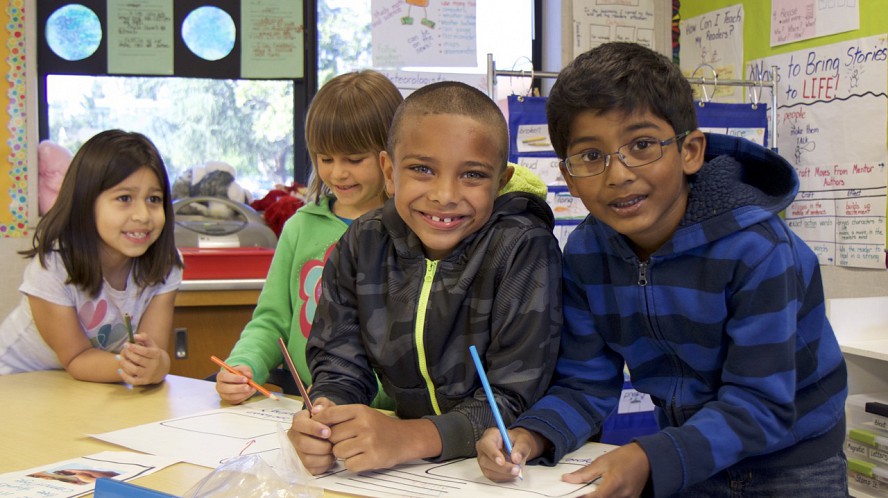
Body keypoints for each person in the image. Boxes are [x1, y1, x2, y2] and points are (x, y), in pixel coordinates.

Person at [476, 42, 848, 498]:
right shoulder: (588, 252)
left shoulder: (760, 250)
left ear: (690, 151)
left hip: (792, 464)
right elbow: (585, 382)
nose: (619, 174)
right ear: (568, 176)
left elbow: (762, 405)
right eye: (591, 156)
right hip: (689, 455)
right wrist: (533, 435)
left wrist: (650, 456)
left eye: (643, 145)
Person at [288, 81, 563, 475]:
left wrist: (409, 438)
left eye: (472, 175)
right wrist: (326, 415)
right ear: (389, 171)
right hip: (411, 472)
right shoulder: (362, 243)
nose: (444, 195)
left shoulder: (523, 249)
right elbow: (339, 364)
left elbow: (514, 396)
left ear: (500, 183)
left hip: (514, 470)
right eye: (421, 169)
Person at [215, 70, 403, 405]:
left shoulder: (412, 228)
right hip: (314, 404)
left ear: (390, 157)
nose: (337, 172)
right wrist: (246, 363)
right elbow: (272, 320)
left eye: (354, 159)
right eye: (325, 158)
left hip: (395, 416)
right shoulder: (300, 227)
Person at [0, 130, 182, 385]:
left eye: (154, 199)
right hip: (16, 382)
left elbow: (156, 349)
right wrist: (132, 367)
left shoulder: (165, 265)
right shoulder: (54, 266)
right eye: (124, 198)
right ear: (85, 202)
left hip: (83, 383)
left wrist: (157, 364)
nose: (143, 214)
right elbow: (77, 358)